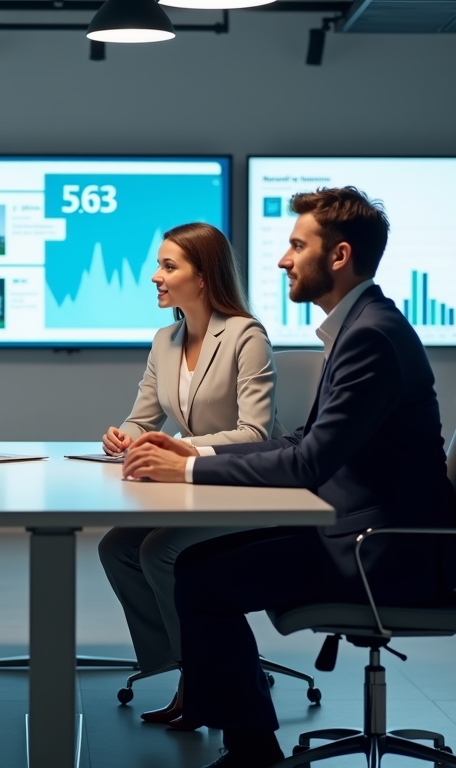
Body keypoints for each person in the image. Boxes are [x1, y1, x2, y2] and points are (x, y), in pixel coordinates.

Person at [121, 187, 456, 768]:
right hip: (358, 529)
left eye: (296, 246)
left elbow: (310, 463)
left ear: (339, 256)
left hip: (377, 551)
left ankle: (251, 749)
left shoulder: (370, 338)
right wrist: (192, 462)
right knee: (195, 567)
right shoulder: (361, 329)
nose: (282, 260)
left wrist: (192, 467)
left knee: (201, 580)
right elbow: (305, 440)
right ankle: (244, 734)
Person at [96, 222, 280, 731]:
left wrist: (181, 447)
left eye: (168, 266)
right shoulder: (165, 340)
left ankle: (206, 678)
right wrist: (125, 437)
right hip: (197, 482)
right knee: (117, 547)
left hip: (250, 486)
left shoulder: (246, 335)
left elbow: (257, 434)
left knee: (159, 550)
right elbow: (143, 417)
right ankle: (194, 668)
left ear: (203, 278)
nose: (156, 276)